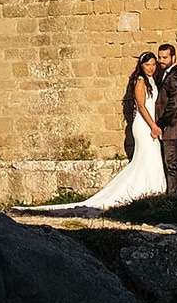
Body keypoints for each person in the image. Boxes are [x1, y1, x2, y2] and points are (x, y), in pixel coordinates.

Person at [22, 52, 166, 213]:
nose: (151, 68)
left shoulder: (152, 80)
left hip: (150, 123)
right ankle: (141, 192)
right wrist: (153, 126)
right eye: (148, 65)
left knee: (151, 158)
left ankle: (152, 192)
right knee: (147, 158)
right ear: (141, 66)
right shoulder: (140, 82)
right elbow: (141, 106)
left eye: (153, 65)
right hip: (144, 124)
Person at [153, 42, 177, 192]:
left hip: (173, 128)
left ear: (173, 58)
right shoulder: (165, 75)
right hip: (170, 128)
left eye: (164, 57)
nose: (161, 61)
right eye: (159, 57)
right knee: (173, 165)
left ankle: (174, 198)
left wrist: (159, 125)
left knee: (172, 164)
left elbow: (174, 106)